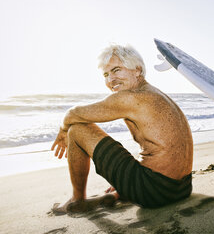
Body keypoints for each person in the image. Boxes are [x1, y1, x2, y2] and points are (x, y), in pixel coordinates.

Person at [51, 44, 193, 212]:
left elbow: (72, 114)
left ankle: (77, 200)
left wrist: (62, 132)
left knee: (76, 130)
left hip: (155, 191)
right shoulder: (155, 93)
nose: (110, 80)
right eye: (106, 74)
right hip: (182, 188)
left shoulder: (129, 98)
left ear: (137, 70)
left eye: (116, 70)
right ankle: (119, 194)